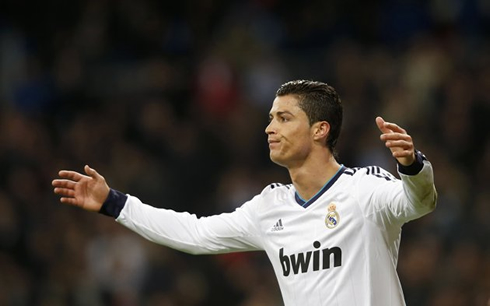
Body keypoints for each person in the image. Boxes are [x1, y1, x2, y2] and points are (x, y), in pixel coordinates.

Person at [52, 80, 437, 306]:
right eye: (270, 118)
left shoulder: (364, 188)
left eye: (284, 118)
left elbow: (418, 202)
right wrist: (115, 204)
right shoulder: (270, 207)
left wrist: (413, 167)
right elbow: (195, 234)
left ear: (320, 130)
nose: (270, 128)